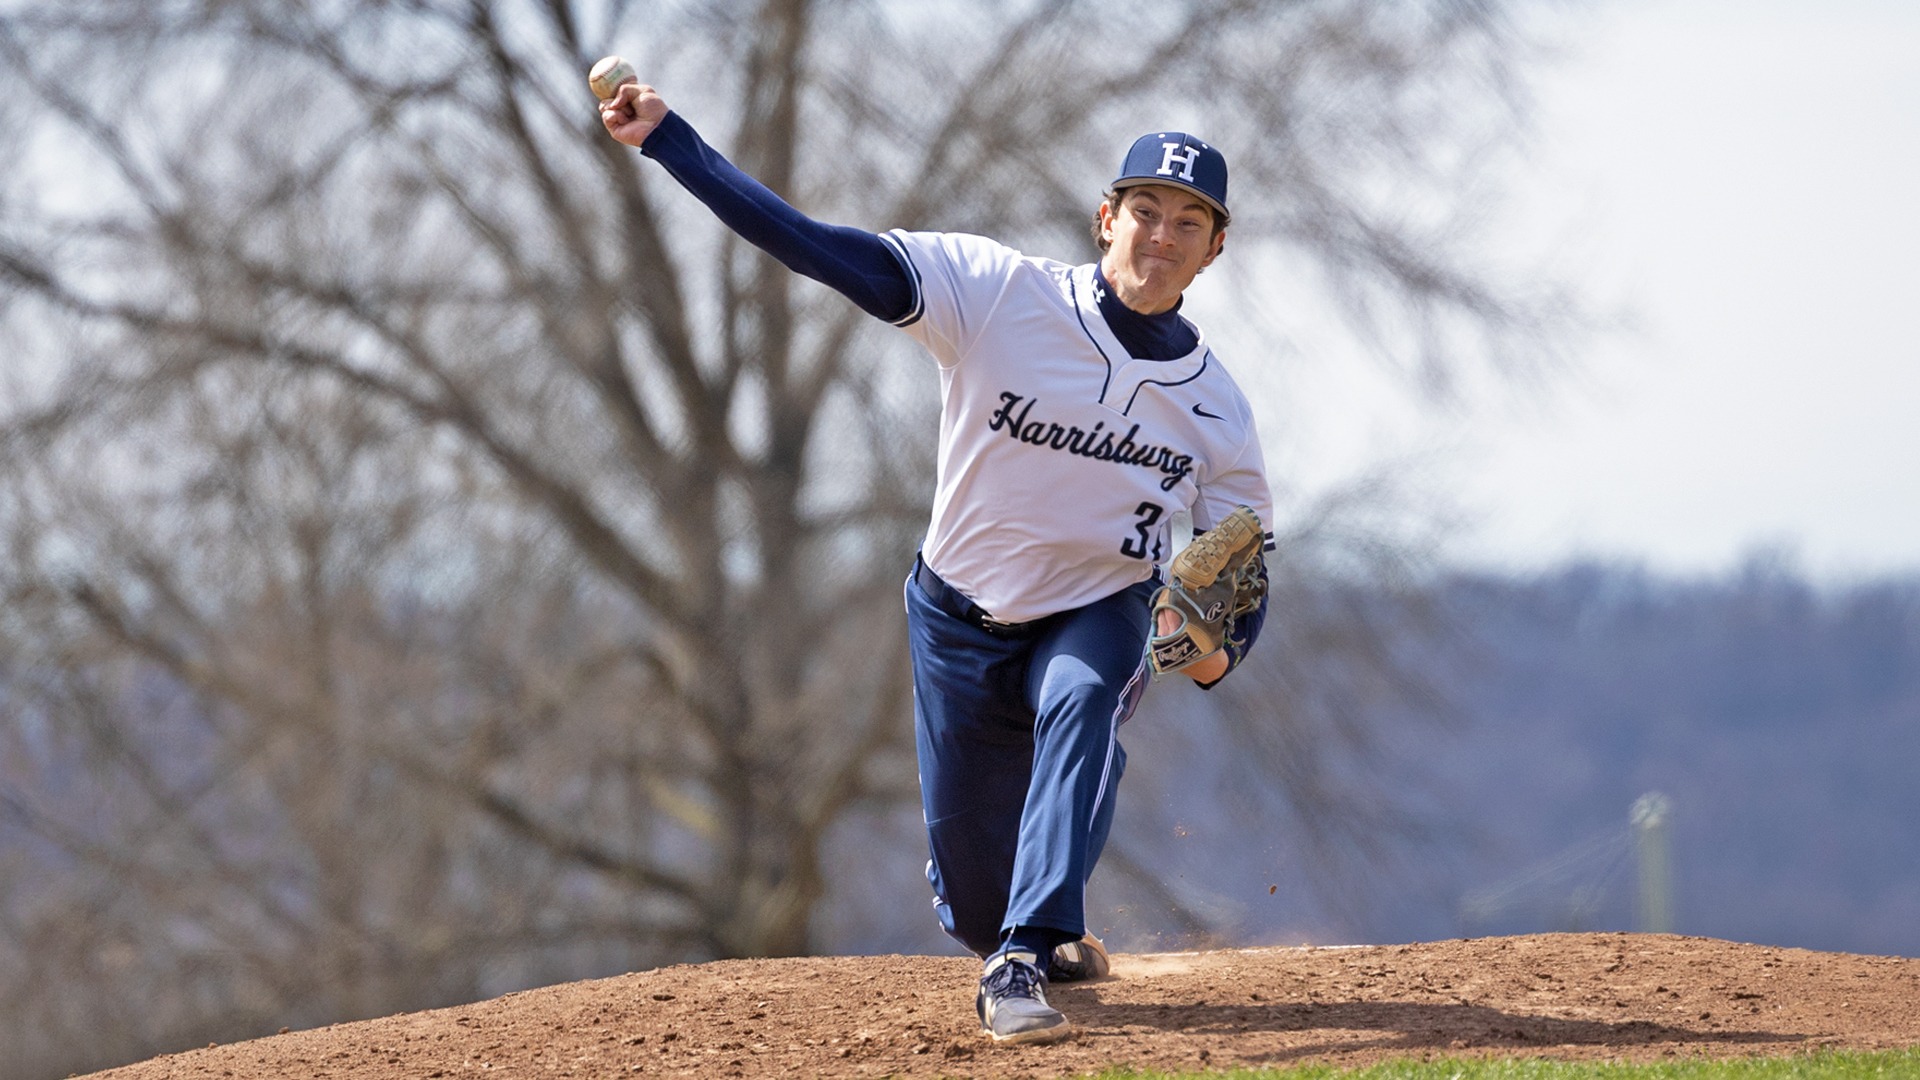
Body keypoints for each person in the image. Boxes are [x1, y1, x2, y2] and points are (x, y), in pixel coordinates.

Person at [600, 77, 1274, 1045]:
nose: (1161, 236)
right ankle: (1018, 925)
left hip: (1099, 607)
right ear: (1106, 218)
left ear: (1214, 249)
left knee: (1082, 700)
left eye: (1188, 222)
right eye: (1145, 210)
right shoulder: (997, 294)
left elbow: (1238, 575)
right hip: (958, 617)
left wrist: (1210, 647)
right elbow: (815, 246)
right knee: (972, 904)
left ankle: (1024, 955)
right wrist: (673, 142)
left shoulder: (1218, 409)